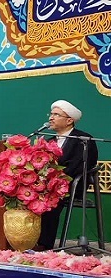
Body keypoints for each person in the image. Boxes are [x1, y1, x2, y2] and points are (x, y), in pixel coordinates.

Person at [36, 100, 98, 250]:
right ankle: (24, 239)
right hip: (47, 183)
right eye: (51, 114)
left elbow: (76, 167)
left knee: (50, 198)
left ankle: (44, 244)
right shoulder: (49, 141)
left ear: (69, 120)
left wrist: (53, 181)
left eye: (56, 115)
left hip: (71, 185)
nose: (51, 117)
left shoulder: (82, 140)